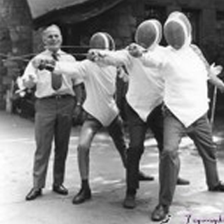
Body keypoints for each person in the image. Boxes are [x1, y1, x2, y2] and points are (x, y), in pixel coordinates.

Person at [128, 12, 224, 221]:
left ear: (187, 31)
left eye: (178, 31)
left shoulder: (195, 51)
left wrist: (221, 84)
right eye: (170, 32)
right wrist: (139, 54)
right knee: (169, 152)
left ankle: (214, 182)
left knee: (209, 150)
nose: (174, 36)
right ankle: (163, 205)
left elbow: (208, 73)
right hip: (175, 114)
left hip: (199, 113)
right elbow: (150, 59)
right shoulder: (165, 54)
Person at [89, 19, 189, 210]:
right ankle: (131, 191)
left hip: (158, 107)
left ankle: (173, 177)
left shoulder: (164, 53)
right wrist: (100, 55)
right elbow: (115, 57)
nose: (144, 37)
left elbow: (166, 65)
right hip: (135, 107)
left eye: (148, 34)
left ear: (157, 36)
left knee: (167, 148)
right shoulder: (129, 52)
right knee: (135, 149)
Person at [41, 32, 150, 204]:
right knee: (83, 146)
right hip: (93, 114)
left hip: (112, 113)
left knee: (123, 147)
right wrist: (49, 65)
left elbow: (129, 71)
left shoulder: (115, 63)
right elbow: (67, 68)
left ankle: (133, 172)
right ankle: (85, 188)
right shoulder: (86, 65)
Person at [21, 24, 84, 201]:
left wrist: (78, 104)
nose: (54, 39)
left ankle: (58, 182)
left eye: (56, 36)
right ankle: (37, 185)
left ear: (61, 38)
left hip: (66, 103)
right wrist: (29, 81)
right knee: (42, 146)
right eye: (50, 37)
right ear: (44, 40)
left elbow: (77, 83)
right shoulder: (36, 60)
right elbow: (27, 82)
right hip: (45, 105)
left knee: (62, 145)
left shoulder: (70, 60)